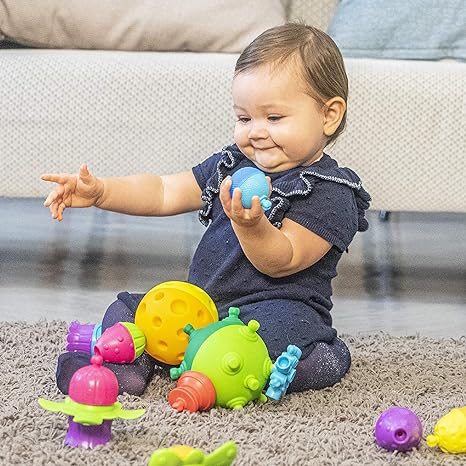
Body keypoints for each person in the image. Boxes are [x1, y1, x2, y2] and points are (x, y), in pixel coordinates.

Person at [42, 23, 371, 397]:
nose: (256, 132)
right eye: (245, 118)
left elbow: (283, 259)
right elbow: (164, 191)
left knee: (265, 341)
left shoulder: (330, 190)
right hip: (205, 308)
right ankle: (129, 369)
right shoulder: (232, 165)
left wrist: (251, 226)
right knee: (129, 310)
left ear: (329, 115)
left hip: (273, 310)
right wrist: (102, 191)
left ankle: (318, 359)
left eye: (274, 118)